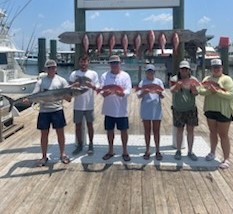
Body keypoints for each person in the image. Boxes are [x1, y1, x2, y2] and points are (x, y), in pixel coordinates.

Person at [32, 59, 71, 166]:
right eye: (49, 68)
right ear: (46, 69)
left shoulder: (62, 80)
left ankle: (62, 154)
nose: (51, 69)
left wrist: (67, 94)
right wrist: (28, 100)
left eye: (53, 67)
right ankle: (44, 156)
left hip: (57, 110)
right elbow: (34, 95)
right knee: (44, 134)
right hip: (44, 111)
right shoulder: (41, 82)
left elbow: (68, 98)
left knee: (60, 133)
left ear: (56, 68)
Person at [198, 59, 233, 169]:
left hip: (223, 110)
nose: (216, 69)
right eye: (214, 67)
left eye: (218, 67)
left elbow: (230, 95)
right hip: (210, 109)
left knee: (224, 135)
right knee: (212, 132)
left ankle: (226, 158)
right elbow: (200, 90)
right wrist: (210, 91)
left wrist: (216, 91)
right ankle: (212, 152)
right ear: (211, 68)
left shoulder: (227, 79)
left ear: (222, 68)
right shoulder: (207, 78)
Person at [100, 55, 132, 162]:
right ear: (109, 64)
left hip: (121, 110)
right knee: (109, 130)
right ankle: (110, 150)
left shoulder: (126, 75)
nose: (114, 65)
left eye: (116, 63)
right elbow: (101, 89)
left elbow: (128, 90)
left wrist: (122, 94)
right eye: (112, 63)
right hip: (108, 109)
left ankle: (125, 151)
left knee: (124, 130)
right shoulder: (105, 75)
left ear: (120, 63)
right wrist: (104, 93)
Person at [69, 54, 99, 155]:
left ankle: (91, 144)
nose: (83, 64)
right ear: (79, 62)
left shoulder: (93, 74)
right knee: (78, 125)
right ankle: (80, 144)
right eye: (82, 62)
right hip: (77, 105)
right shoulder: (74, 74)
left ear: (88, 62)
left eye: (85, 62)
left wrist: (92, 85)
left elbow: (97, 87)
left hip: (89, 105)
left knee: (90, 125)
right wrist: (74, 85)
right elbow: (69, 88)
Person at [170, 60, 199, 161]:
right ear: (179, 70)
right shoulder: (174, 79)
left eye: (186, 69)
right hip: (178, 109)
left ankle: (190, 151)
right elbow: (171, 90)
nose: (184, 71)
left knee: (190, 130)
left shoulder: (194, 80)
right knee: (179, 130)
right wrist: (176, 87)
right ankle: (178, 150)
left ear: (189, 70)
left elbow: (196, 94)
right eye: (182, 69)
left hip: (191, 109)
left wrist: (194, 89)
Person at [137, 64, 164, 160]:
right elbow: (138, 95)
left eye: (152, 71)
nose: (150, 73)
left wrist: (159, 92)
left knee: (157, 131)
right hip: (146, 108)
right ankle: (147, 150)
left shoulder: (159, 81)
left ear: (154, 72)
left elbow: (163, 95)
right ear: (146, 72)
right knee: (147, 130)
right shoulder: (142, 82)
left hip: (157, 109)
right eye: (148, 71)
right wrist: (144, 92)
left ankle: (157, 150)